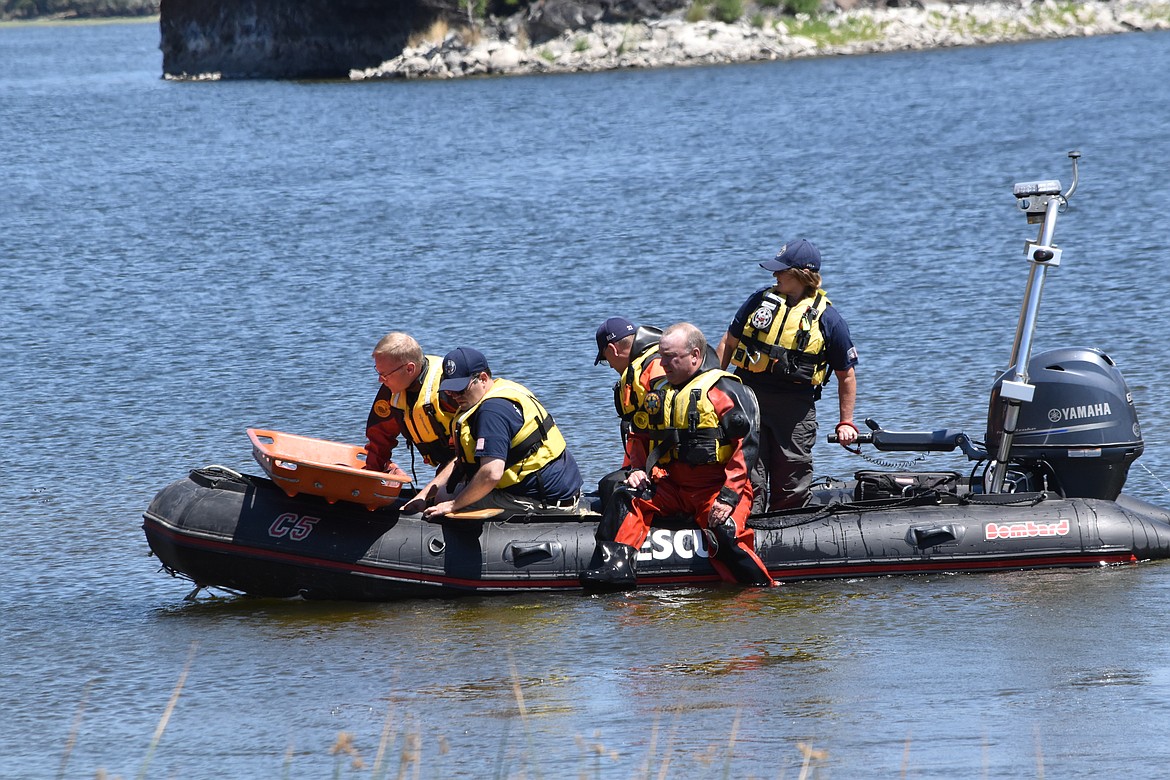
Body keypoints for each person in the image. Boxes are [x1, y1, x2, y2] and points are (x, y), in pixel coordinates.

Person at [580, 323, 774, 590]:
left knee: (724, 533)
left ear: (695, 355)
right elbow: (640, 435)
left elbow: (746, 447)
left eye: (671, 357)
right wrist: (637, 469)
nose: (664, 364)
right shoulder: (658, 392)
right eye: (662, 355)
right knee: (625, 496)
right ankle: (614, 573)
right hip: (673, 486)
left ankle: (761, 590)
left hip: (715, 488)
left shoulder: (725, 390)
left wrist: (728, 498)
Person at [715, 239, 858, 511]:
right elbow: (728, 343)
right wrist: (710, 388)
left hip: (794, 408)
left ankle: (788, 534)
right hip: (748, 398)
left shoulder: (829, 320)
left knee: (792, 480)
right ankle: (748, 530)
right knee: (747, 477)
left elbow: (846, 376)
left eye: (781, 270)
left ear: (803, 275)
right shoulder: (760, 301)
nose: (774, 275)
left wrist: (846, 422)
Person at [411, 347, 584, 519]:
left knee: (445, 497)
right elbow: (462, 461)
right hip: (554, 492)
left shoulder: (491, 412)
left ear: (483, 379)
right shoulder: (497, 392)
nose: (455, 396)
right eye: (450, 391)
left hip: (546, 503)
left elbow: (491, 473)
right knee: (445, 491)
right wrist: (424, 495)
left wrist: (453, 505)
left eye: (461, 389)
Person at [365, 331, 458, 475]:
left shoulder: (447, 386)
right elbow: (380, 436)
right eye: (378, 372)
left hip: (474, 464)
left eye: (384, 375)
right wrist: (371, 474)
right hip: (446, 466)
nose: (380, 380)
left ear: (410, 368)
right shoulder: (392, 387)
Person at [593, 316, 666, 470]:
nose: (611, 367)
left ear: (613, 350)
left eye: (606, 360)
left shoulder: (645, 373)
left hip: (667, 465)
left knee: (611, 487)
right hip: (675, 458)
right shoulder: (662, 358)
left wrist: (635, 471)